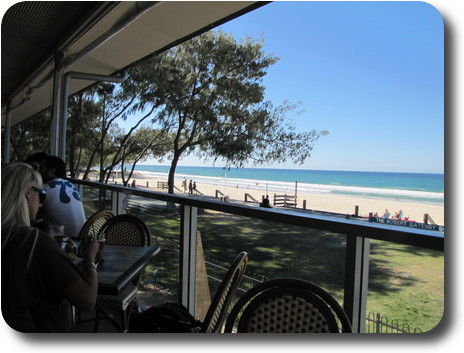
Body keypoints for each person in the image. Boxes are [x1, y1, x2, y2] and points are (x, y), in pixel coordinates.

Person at [1, 162, 99, 332]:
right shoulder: (32, 242)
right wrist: (90, 257)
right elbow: (88, 300)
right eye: (41, 194)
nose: (40, 203)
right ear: (28, 192)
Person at [39, 156, 86, 239]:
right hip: (81, 236)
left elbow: (31, 214)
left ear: (52, 171)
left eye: (41, 169)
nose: (38, 172)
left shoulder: (44, 189)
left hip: (62, 237)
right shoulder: (70, 185)